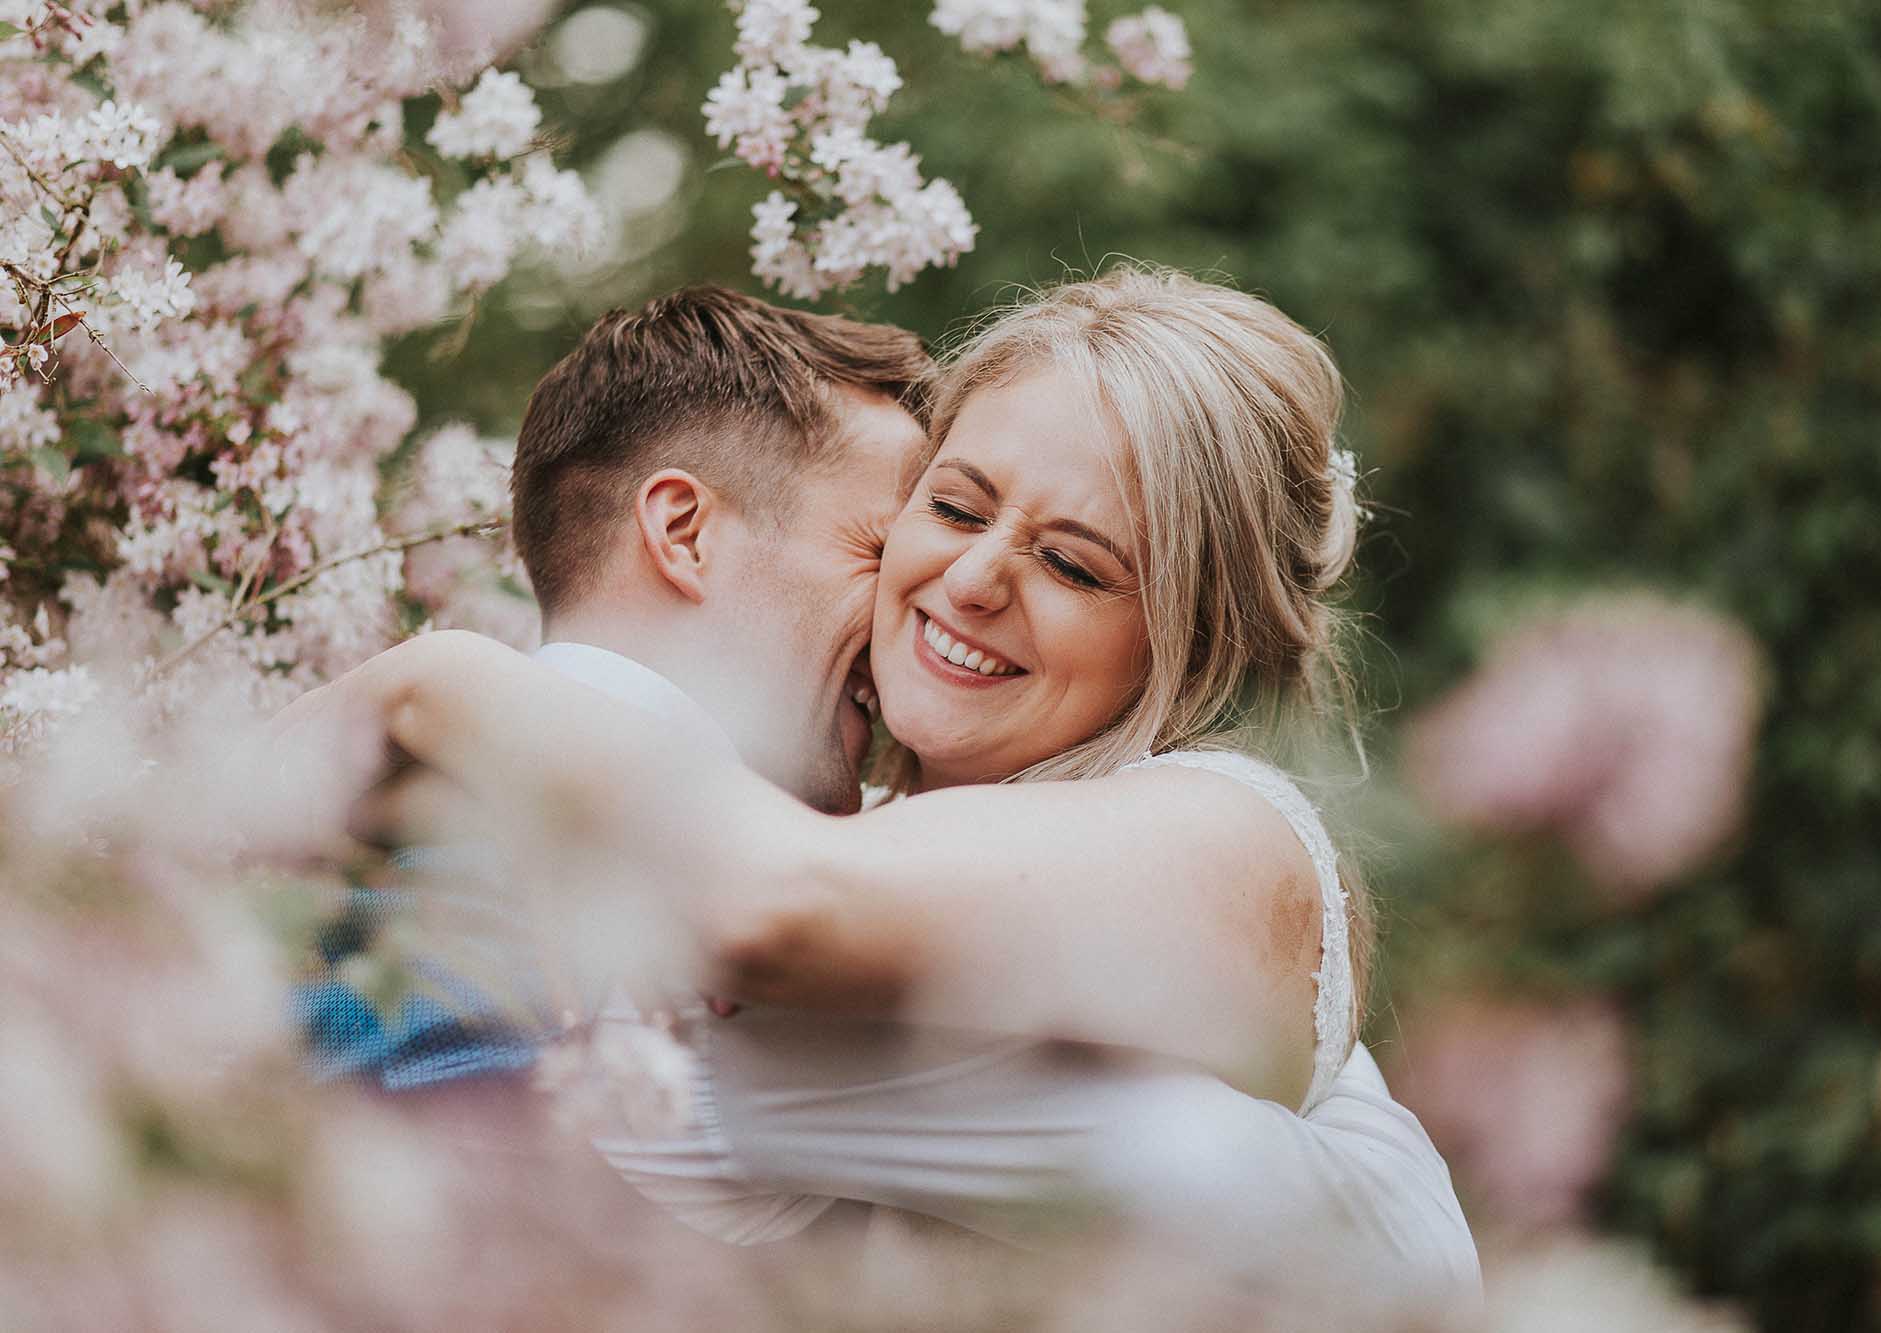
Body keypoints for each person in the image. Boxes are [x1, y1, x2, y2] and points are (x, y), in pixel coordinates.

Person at [282, 274, 1478, 1318]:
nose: (968, 578)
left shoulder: (1224, 834)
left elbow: (771, 907)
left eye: (1071, 563)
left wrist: (436, 679)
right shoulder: (792, 846)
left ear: (1185, 639)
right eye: (949, 508)